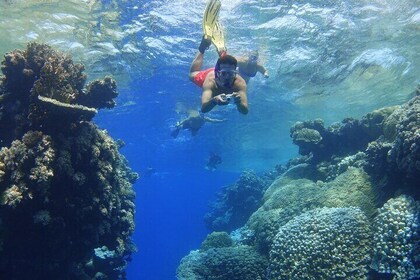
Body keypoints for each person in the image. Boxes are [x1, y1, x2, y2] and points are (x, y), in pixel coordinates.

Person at [189, 37, 249, 115]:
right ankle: (202, 48)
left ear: (235, 72)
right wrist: (214, 101)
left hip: (220, 69)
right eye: (224, 74)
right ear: (217, 73)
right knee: (192, 74)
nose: (227, 77)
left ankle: (223, 54)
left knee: (225, 64)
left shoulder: (240, 83)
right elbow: (204, 109)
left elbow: (245, 111)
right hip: (208, 75)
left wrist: (239, 102)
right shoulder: (210, 82)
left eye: (231, 73)